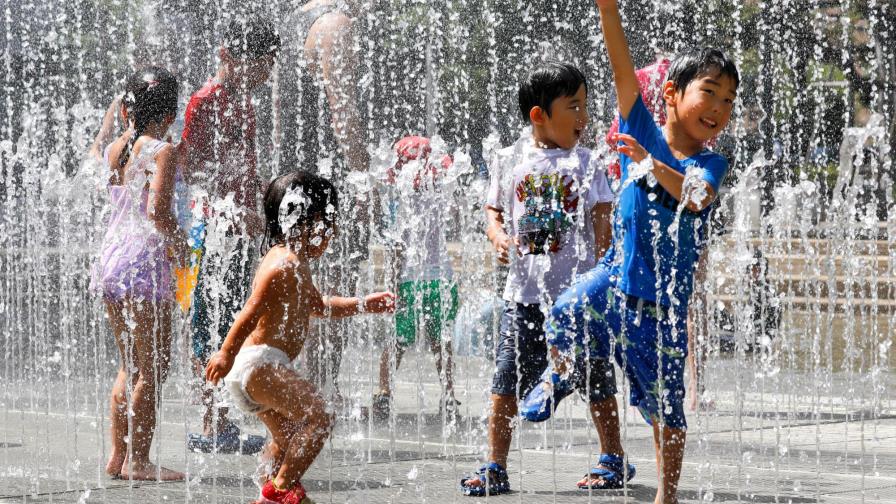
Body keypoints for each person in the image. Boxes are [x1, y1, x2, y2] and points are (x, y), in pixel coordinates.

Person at [530, 1, 740, 501]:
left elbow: (696, 197)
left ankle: (667, 496)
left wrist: (649, 167)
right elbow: (620, 66)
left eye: (728, 100)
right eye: (709, 93)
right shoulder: (641, 127)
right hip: (613, 280)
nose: (718, 108)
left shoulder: (712, 161)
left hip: (662, 308)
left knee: (666, 409)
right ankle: (559, 375)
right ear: (671, 93)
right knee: (564, 311)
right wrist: (607, 9)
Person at [459, 61, 619, 496]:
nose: (584, 118)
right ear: (539, 115)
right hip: (524, 296)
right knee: (505, 380)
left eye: (586, 106)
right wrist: (496, 236)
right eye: (574, 108)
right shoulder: (509, 159)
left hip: (577, 299)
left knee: (597, 379)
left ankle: (613, 458)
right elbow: (492, 211)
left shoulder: (587, 161)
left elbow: (602, 216)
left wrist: (603, 273)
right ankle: (495, 465)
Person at [204, 171, 395, 504]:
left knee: (290, 439)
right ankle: (277, 493)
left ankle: (278, 484)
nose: (331, 234)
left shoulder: (295, 263)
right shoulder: (283, 264)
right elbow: (251, 310)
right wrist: (225, 352)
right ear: (308, 220)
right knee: (320, 418)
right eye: (328, 223)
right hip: (258, 364)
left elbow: (319, 306)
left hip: (259, 367)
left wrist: (365, 304)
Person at [181, 16, 280, 454]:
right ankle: (213, 421)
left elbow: (247, 167)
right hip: (213, 232)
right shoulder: (205, 101)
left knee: (234, 321)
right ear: (235, 58)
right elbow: (189, 165)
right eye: (263, 66)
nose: (267, 75)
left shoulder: (242, 101)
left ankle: (223, 420)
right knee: (211, 323)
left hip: (240, 231)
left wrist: (260, 207)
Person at [92, 67, 187, 481]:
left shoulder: (116, 149)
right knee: (154, 367)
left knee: (129, 364)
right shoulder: (161, 150)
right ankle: (139, 459)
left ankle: (117, 457)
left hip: (112, 260)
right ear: (168, 114)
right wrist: (182, 245)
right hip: (143, 264)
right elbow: (158, 212)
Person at [277, 0, 373, 403]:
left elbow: (283, 117)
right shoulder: (335, 24)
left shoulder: (295, 21)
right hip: (325, 185)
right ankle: (317, 391)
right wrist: (363, 178)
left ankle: (296, 390)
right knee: (331, 290)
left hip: (295, 178)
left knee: (297, 288)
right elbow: (343, 110)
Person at [372, 136, 460, 422]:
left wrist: (392, 282)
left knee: (396, 340)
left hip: (410, 280)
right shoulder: (439, 195)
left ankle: (383, 394)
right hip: (442, 281)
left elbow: (397, 247)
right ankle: (448, 396)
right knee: (441, 342)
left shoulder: (399, 200)